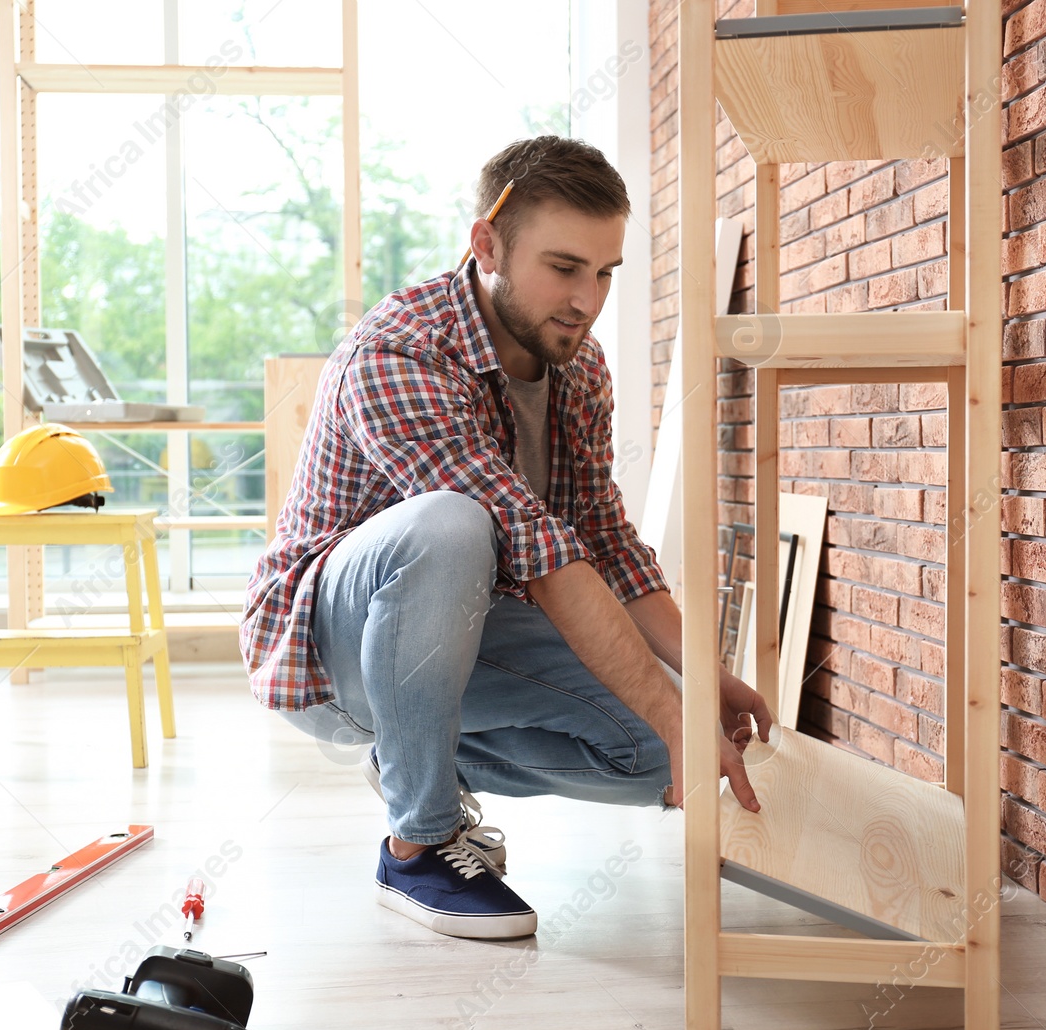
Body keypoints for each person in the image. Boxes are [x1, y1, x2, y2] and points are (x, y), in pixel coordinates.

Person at [241, 134, 770, 940]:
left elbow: (605, 541)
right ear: (486, 242)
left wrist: (700, 679)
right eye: (564, 268)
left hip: (464, 628)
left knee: (657, 755)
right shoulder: (399, 351)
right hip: (332, 648)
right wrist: (674, 706)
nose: (587, 299)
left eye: (604, 273)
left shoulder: (579, 368)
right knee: (453, 524)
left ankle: (417, 757)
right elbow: (542, 554)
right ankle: (418, 843)